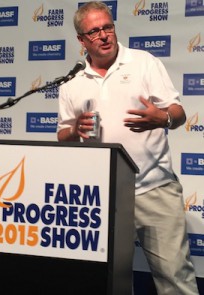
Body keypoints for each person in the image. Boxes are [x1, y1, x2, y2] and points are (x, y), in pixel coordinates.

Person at [57, 2, 199, 294]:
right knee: (106, 280)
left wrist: (164, 117)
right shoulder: (72, 82)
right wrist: (74, 130)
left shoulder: (143, 62)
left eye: (108, 27)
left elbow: (178, 112)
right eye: (94, 31)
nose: (104, 35)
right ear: (81, 40)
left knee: (175, 278)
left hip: (154, 187)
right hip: (101, 196)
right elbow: (62, 134)